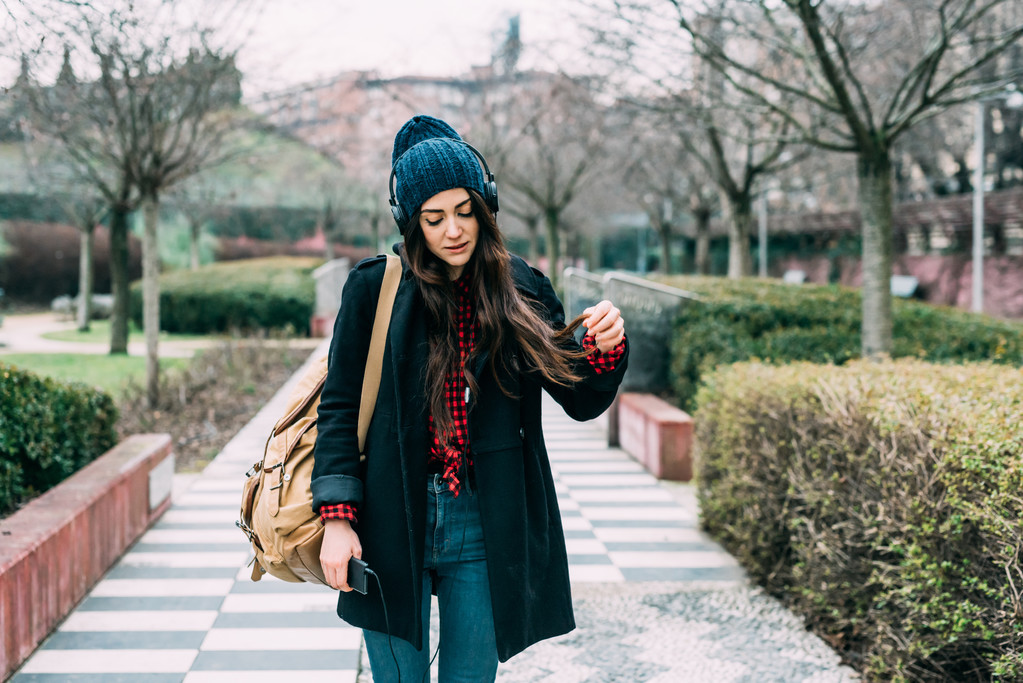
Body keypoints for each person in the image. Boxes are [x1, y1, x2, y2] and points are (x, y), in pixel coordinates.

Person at [311, 114, 628, 682]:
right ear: (411, 223)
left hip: (483, 521)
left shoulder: (521, 286)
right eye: (434, 218)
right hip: (388, 517)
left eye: (465, 212)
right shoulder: (374, 289)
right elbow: (338, 407)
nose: (454, 230)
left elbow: (577, 397)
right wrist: (338, 519)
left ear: (485, 208)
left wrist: (604, 349)